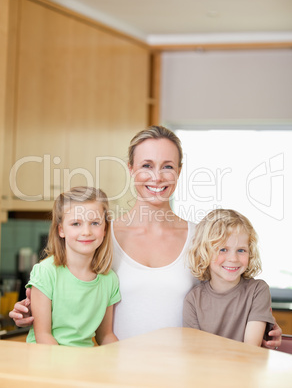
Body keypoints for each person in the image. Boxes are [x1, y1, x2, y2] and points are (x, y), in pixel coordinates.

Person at [9, 126, 281, 348]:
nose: (157, 176)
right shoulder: (101, 235)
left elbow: (236, 293)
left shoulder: (201, 237)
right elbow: (63, 285)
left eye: (167, 166)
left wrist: (263, 324)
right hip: (116, 373)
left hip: (186, 374)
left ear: (179, 172)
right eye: (146, 165)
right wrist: (32, 309)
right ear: (130, 169)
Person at [25, 186, 120, 346]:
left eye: (95, 223)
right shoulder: (45, 272)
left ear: (105, 229)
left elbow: (105, 336)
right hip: (46, 363)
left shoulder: (109, 279)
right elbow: (43, 336)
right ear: (61, 230)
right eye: (76, 223)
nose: (86, 231)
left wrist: (125, 358)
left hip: (84, 364)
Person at [183, 209, 275, 346]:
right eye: (223, 249)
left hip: (246, 366)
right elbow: (195, 351)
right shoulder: (193, 300)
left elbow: (251, 349)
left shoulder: (258, 291)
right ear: (204, 252)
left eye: (241, 250)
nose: (233, 258)